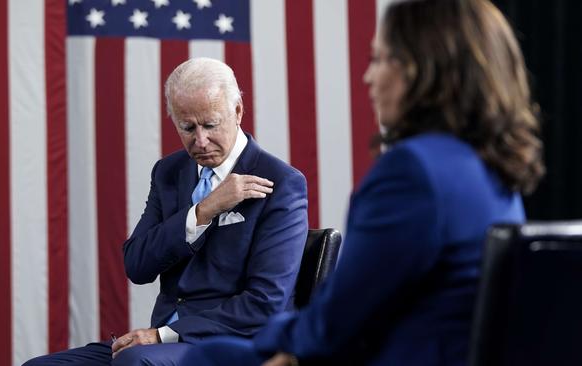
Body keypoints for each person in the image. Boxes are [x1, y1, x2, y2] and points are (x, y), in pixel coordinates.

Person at [180, 0, 544, 365]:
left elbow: (337, 320)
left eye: (380, 59)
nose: (369, 76)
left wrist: (280, 344)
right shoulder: (492, 169)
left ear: (421, 72)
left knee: (208, 357)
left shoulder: (414, 171)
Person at [23, 58, 309, 366]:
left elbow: (264, 304)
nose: (200, 140)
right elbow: (137, 265)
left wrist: (163, 334)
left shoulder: (282, 182)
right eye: (187, 127)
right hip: (157, 342)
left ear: (238, 112)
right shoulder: (168, 172)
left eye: (211, 124)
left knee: (136, 363)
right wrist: (202, 211)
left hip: (233, 345)